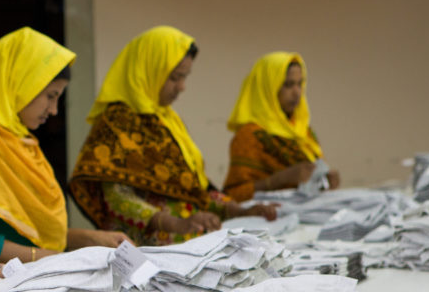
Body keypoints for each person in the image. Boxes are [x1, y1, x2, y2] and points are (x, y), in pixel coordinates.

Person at [0, 27, 130, 263]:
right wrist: (57, 260)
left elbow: (24, 232)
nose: (54, 110)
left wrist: (89, 239)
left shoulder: (20, 142)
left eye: (58, 98)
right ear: (20, 82)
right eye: (50, 96)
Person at [70, 26, 278, 246]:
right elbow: (117, 199)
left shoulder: (168, 121)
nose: (182, 87)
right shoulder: (116, 122)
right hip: (144, 249)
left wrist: (239, 210)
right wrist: (174, 223)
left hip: (189, 243)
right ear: (148, 70)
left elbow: (195, 190)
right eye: (174, 78)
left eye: (184, 77)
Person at [223, 52, 340, 201]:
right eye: (288, 85)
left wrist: (327, 181)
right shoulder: (250, 137)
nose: (297, 92)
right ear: (267, 88)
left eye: (300, 84)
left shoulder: (304, 132)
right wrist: (278, 180)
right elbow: (232, 195)